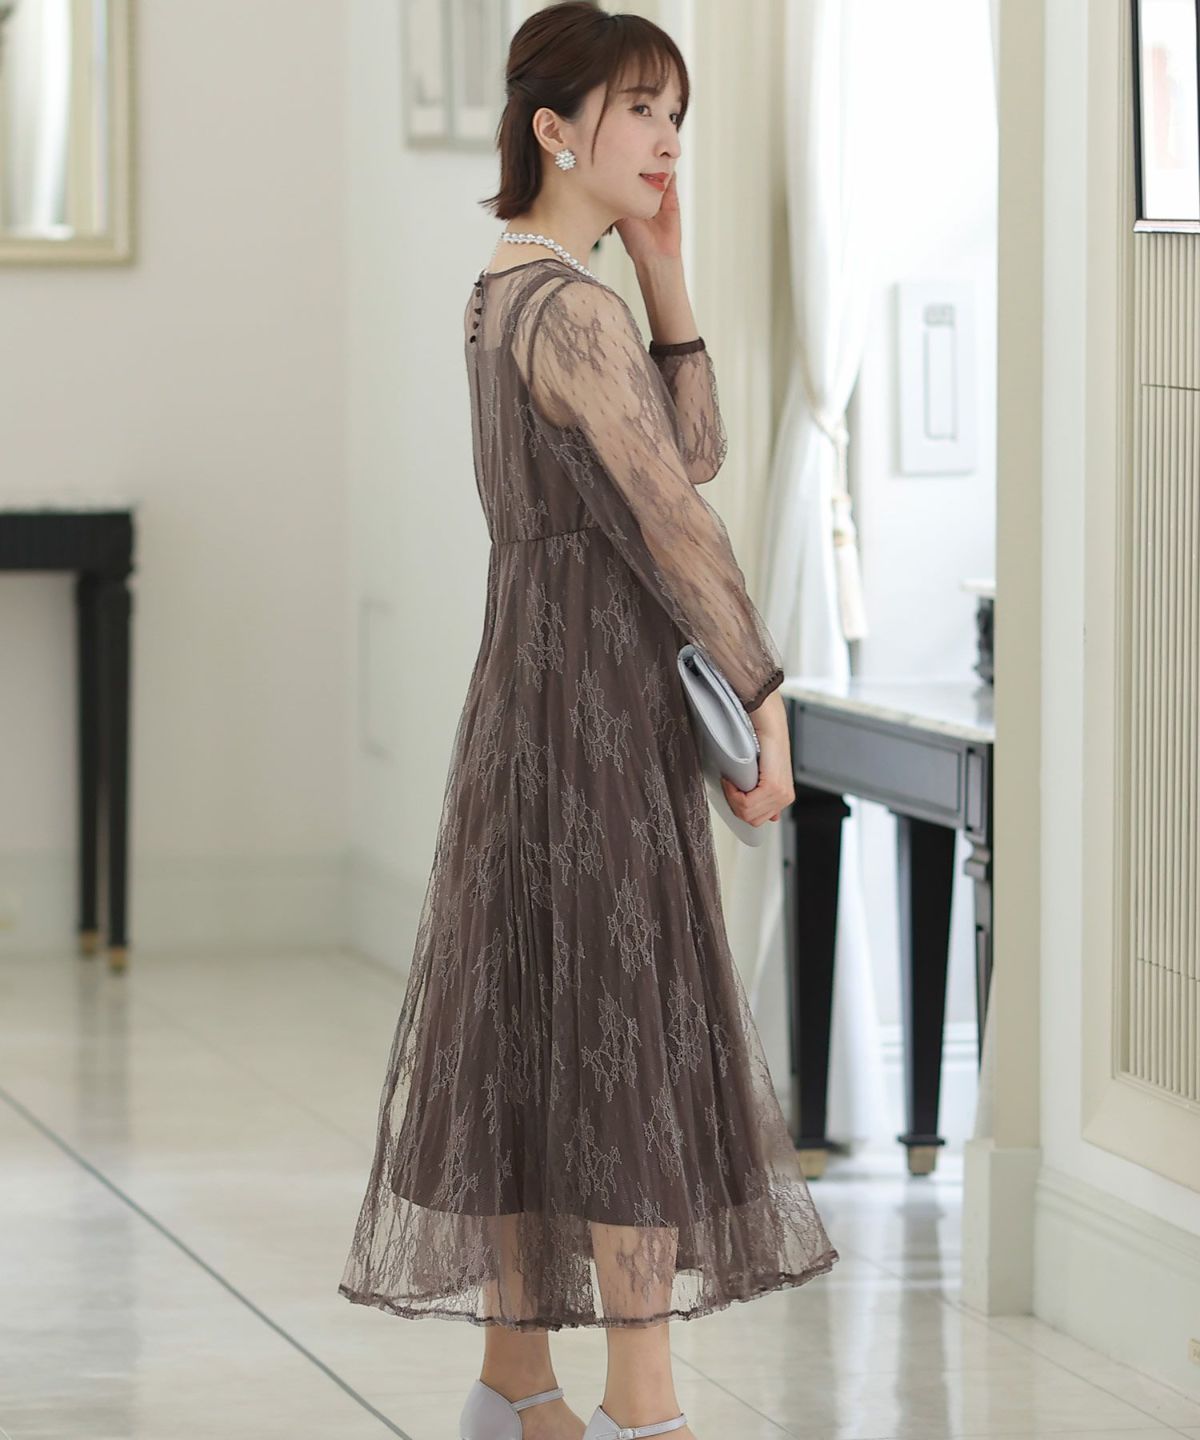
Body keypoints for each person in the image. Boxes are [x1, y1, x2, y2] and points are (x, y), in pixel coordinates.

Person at [337, 5, 839, 1438]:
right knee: (627, 1042)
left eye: (676, 110)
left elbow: (685, 451)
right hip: (599, 711)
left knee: (539, 1034)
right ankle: (643, 1406)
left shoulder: (513, 288)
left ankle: (517, 1387)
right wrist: (762, 693)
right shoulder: (570, 310)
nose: (668, 136)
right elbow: (680, 516)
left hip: (534, 696)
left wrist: (669, 278)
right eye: (637, 109)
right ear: (555, 130)